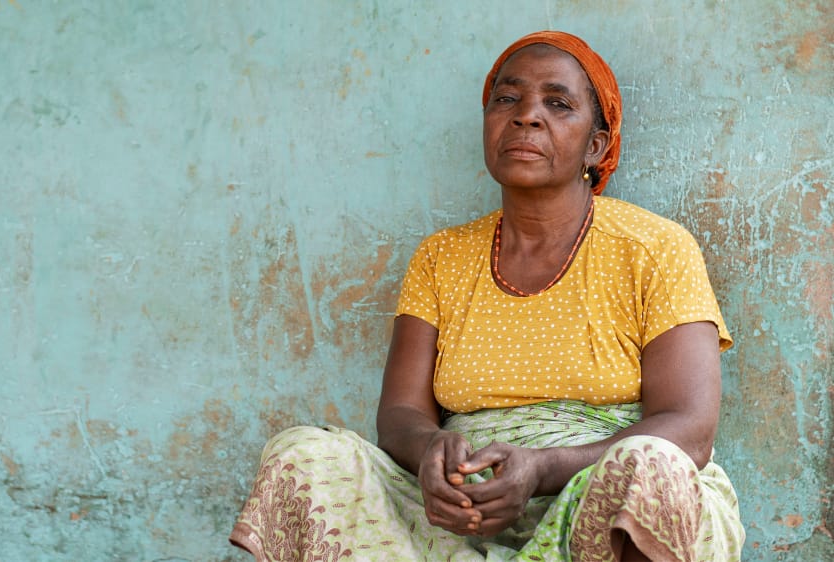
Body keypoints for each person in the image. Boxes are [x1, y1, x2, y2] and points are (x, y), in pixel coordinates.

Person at [229, 31, 744, 561]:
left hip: (593, 497)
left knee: (654, 466)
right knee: (305, 454)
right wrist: (433, 449)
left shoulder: (655, 248)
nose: (526, 116)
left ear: (597, 145)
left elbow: (690, 429)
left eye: (558, 103)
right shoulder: (441, 257)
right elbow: (402, 411)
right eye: (507, 98)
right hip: (460, 513)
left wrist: (542, 469)